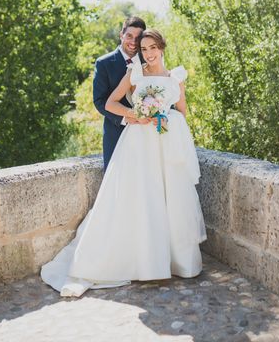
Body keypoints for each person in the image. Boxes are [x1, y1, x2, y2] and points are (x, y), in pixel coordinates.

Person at [41, 28, 207, 297]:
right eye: (144, 49)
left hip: (165, 144)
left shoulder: (176, 77)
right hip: (138, 143)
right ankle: (142, 262)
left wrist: (166, 118)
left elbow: (183, 112)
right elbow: (110, 103)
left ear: (162, 48)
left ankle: (176, 260)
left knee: (170, 199)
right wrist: (136, 115)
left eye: (152, 48)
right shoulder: (135, 74)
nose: (148, 54)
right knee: (141, 197)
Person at [92, 16, 146, 170]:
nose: (133, 42)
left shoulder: (148, 60)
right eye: (129, 36)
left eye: (138, 38)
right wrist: (125, 118)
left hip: (146, 134)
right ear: (121, 34)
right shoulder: (104, 63)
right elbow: (99, 101)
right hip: (116, 133)